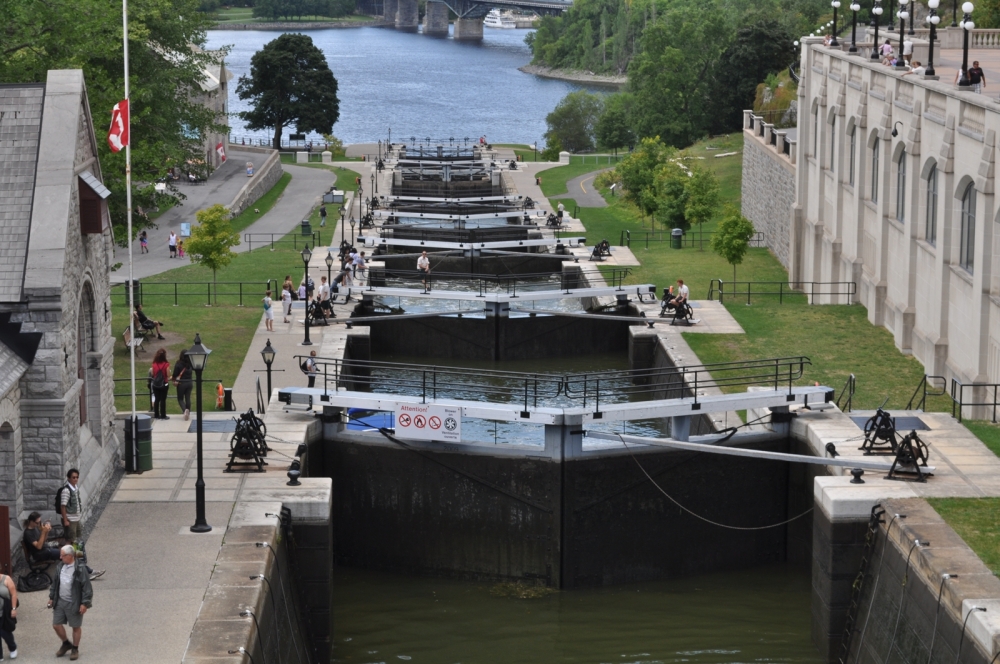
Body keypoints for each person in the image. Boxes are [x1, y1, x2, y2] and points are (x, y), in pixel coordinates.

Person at [48, 545, 93, 661]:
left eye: (62, 555)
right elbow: (55, 583)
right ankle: (66, 643)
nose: (60, 557)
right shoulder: (60, 566)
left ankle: (75, 648)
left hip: (74, 602)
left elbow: (87, 588)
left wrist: (84, 603)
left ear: (70, 556)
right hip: (60, 601)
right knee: (56, 625)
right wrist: (52, 597)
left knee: (75, 627)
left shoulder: (80, 569)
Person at [58, 469, 104, 580]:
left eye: (77, 477)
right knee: (71, 540)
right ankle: (72, 559)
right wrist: (65, 520)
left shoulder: (75, 488)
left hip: (76, 519)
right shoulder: (66, 490)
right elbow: (63, 506)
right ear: (69, 478)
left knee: (75, 540)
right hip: (70, 519)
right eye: (73, 477)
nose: (75, 479)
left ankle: (78, 558)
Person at [0, 569, 18, 660]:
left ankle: (12, 647)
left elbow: (14, 594)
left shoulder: (6, 579)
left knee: (5, 632)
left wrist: (13, 608)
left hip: (4, 611)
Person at [149, 348, 171, 420]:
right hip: (164, 384)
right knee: (163, 400)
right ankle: (163, 415)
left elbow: (153, 374)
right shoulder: (166, 364)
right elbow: (168, 375)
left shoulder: (154, 364)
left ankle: (156, 415)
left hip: (156, 384)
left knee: (156, 399)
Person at [172, 350, 193, 421]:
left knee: (180, 398)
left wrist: (174, 379)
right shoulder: (190, 363)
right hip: (189, 382)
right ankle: (188, 411)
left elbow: (175, 374)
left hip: (181, 383)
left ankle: (185, 410)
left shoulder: (178, 363)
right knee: (188, 397)